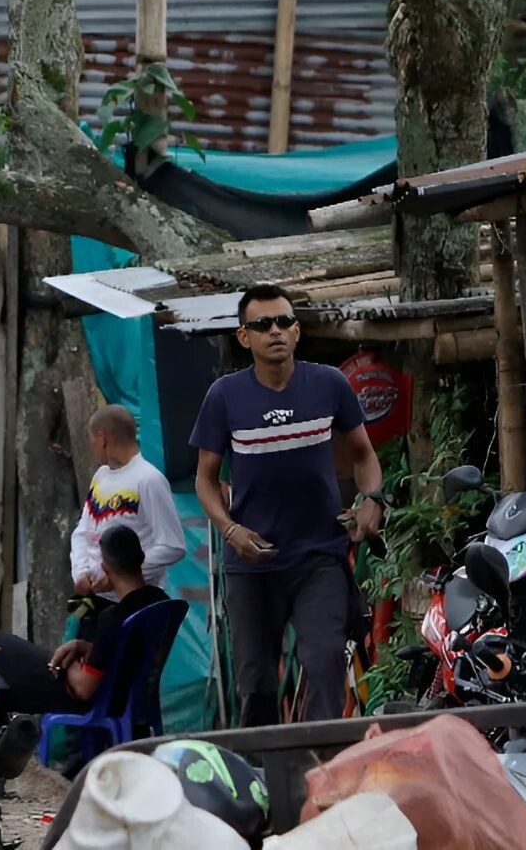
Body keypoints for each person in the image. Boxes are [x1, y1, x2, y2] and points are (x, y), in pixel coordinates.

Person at [190, 284, 384, 726]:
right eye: (262, 324)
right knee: (256, 683)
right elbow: (205, 479)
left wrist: (371, 499)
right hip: (252, 562)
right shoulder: (224, 396)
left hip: (319, 557)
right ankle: (264, 780)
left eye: (284, 322)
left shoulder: (330, 385)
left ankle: (321, 772)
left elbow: (364, 455)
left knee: (325, 664)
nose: (275, 331)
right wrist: (229, 530)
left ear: (297, 331)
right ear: (244, 337)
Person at [0, 525, 169, 716]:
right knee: (4, 672)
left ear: (105, 568)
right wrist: (85, 647)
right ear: (141, 558)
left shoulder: (114, 618)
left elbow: (83, 689)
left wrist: (69, 662)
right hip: (130, 692)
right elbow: (128, 652)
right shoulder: (160, 602)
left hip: (97, 701)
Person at [71, 405, 185, 609]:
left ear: (102, 438)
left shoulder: (149, 480)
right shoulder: (100, 477)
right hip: (95, 600)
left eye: (91, 439)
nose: (90, 445)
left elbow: (172, 546)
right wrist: (80, 572)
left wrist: (120, 575)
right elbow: (82, 532)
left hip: (134, 604)